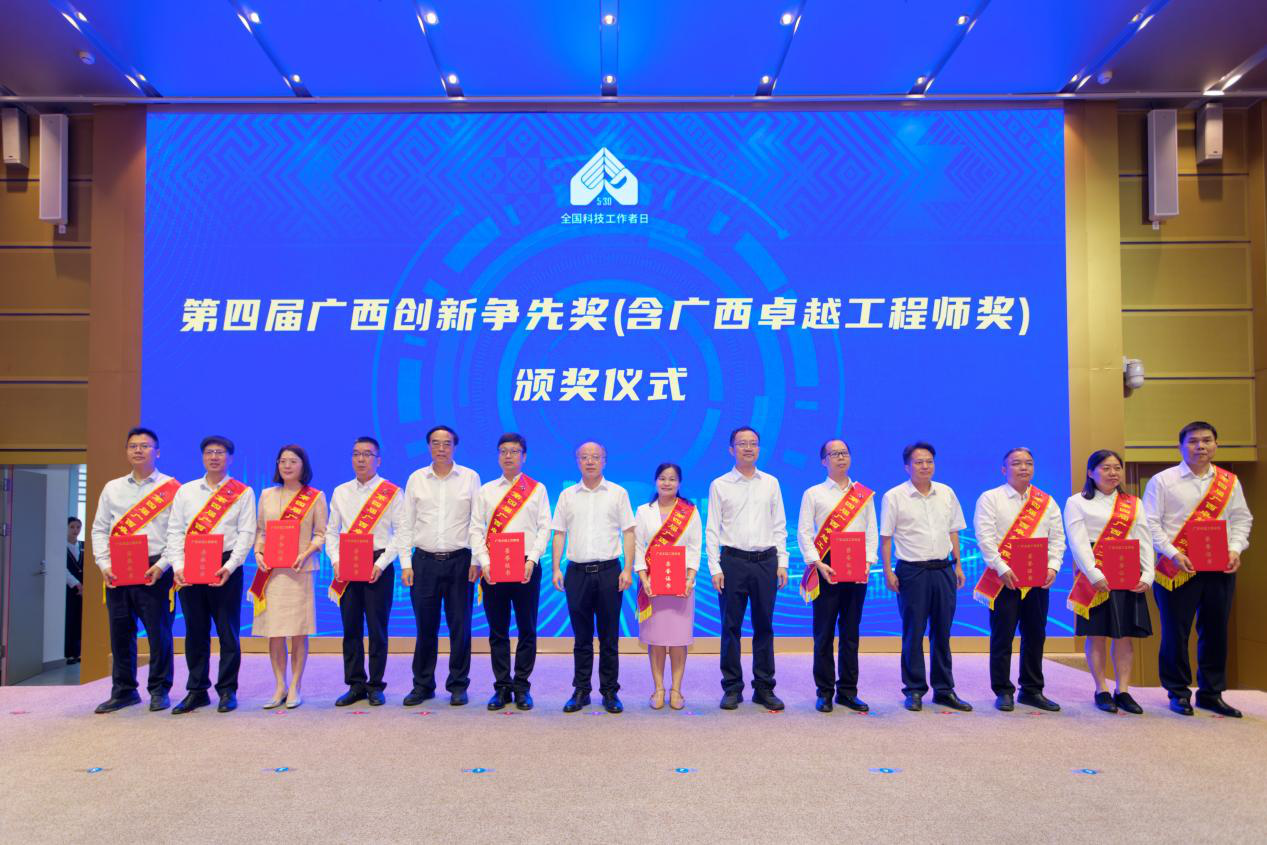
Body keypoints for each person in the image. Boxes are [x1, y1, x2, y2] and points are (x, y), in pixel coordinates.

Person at [1143, 421, 1252, 718]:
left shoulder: (1229, 482)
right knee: (1175, 632)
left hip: (1220, 567)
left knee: (1216, 630)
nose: (1200, 446)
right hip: (1176, 568)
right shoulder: (1163, 481)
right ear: (1180, 446)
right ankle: (1178, 692)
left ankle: (1211, 693)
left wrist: (1235, 548)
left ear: (1216, 445)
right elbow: (1150, 523)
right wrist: (1174, 553)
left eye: (1206, 440)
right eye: (1193, 441)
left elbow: (1241, 519)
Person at [89, 427, 180, 713]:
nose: (138, 450)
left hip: (156, 569)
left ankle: (159, 689)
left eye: (145, 445)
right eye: (133, 446)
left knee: (159, 634)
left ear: (158, 452)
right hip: (118, 569)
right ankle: (124, 691)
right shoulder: (112, 488)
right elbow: (99, 529)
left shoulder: (172, 489)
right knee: (120, 633)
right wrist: (104, 564)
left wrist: (162, 565)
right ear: (127, 451)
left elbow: (178, 533)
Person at [168, 435, 257, 715]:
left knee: (228, 631)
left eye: (220, 452)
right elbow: (175, 531)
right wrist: (178, 566)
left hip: (225, 566)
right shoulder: (186, 491)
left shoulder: (242, 492)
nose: (214, 457)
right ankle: (196, 690)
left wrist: (230, 566)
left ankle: (227, 690)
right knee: (195, 631)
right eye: (209, 452)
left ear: (230, 458)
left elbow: (246, 533)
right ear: (202, 457)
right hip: (191, 565)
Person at [972, 447, 1066, 712]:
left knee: (1035, 635)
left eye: (1028, 463)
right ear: (1004, 469)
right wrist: (1002, 568)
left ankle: (1032, 689)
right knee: (1002, 636)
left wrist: (1053, 567)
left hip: (1037, 580)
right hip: (1004, 580)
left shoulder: (1046, 502)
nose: (1023, 467)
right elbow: (985, 538)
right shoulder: (990, 498)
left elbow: (1057, 538)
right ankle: (1003, 690)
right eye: (1016, 463)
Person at [880, 441, 971, 712]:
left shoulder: (946, 492)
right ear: (907, 467)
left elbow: (954, 531)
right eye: (918, 462)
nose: (925, 466)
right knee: (913, 632)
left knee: (942, 632)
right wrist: (888, 572)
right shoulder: (894, 496)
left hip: (943, 569)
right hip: (912, 572)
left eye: (929, 461)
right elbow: (886, 538)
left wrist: (958, 565)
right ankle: (914, 689)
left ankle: (944, 690)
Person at [1064, 449, 1154, 714]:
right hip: (1096, 572)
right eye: (1105, 468)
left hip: (1128, 570)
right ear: (1091, 472)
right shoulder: (1077, 502)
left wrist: (1148, 574)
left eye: (1117, 468)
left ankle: (1123, 690)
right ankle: (1101, 688)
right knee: (1098, 634)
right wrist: (1093, 573)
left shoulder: (1133, 503)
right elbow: (1078, 542)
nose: (1113, 473)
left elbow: (1144, 538)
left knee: (1124, 635)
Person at [706, 426, 789, 711]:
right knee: (730, 627)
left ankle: (764, 688)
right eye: (742, 443)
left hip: (766, 562)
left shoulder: (771, 483)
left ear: (759, 448)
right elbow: (712, 529)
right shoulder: (720, 484)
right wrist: (715, 567)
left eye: (753, 443)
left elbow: (779, 525)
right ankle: (732, 687)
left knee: (764, 626)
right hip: (733, 562)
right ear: (732, 449)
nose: (748, 448)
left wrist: (782, 562)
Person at [551, 441, 635, 714]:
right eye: (585, 457)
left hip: (610, 572)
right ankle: (581, 690)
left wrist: (627, 569)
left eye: (596, 457)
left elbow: (629, 532)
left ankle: (610, 691)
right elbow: (559, 533)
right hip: (577, 573)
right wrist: (555, 568)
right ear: (577, 461)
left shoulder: (618, 493)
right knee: (582, 637)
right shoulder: (567, 495)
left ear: (604, 461)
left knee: (609, 636)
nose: (590, 461)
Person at [470, 433, 552, 711]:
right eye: (503, 451)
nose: (508, 456)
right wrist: (484, 562)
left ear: (524, 456)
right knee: (498, 630)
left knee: (527, 629)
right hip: (494, 567)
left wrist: (533, 559)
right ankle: (502, 687)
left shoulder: (537, 489)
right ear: (498, 456)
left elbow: (544, 528)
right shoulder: (486, 490)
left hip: (527, 566)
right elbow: (476, 529)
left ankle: (522, 686)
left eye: (514, 451)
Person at [399, 426, 479, 707]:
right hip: (423, 563)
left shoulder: (470, 477)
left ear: (455, 446)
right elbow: (406, 523)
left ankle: (458, 684)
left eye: (446, 443)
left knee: (460, 627)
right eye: (435, 443)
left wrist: (476, 560)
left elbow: (477, 522)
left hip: (460, 562)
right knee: (425, 627)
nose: (441, 448)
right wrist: (405, 563)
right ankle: (422, 685)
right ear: (429, 446)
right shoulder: (416, 479)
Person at [797, 439, 877, 714]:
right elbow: (804, 532)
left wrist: (868, 562)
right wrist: (817, 563)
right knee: (824, 633)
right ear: (824, 461)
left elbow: (871, 530)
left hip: (857, 566)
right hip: (826, 566)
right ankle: (824, 692)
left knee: (851, 633)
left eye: (844, 453)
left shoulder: (863, 495)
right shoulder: (814, 493)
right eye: (834, 454)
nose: (840, 457)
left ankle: (848, 691)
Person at [327, 436, 406, 708]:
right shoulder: (340, 492)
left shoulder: (391, 492)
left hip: (378, 563)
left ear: (378, 460)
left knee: (377, 628)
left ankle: (376, 685)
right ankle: (355, 684)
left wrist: (381, 564)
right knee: (350, 628)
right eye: (356, 454)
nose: (361, 459)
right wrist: (336, 561)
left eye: (367, 454)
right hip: (347, 563)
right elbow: (331, 531)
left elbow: (401, 533)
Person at [251, 445, 327, 710]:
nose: (287, 465)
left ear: (303, 465)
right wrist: (258, 553)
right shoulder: (266, 495)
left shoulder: (315, 497)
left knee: (297, 631)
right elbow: (260, 531)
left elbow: (321, 534)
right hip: (271, 572)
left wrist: (306, 553)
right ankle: (279, 685)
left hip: (299, 571)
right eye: (282, 461)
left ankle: (295, 685)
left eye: (293, 461)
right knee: (274, 631)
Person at [634, 463, 701, 711]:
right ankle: (659, 689)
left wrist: (690, 579)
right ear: (655, 481)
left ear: (679, 483)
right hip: (652, 584)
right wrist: (644, 579)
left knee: (678, 639)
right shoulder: (643, 511)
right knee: (657, 639)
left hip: (681, 584)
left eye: (672, 479)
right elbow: (639, 547)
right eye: (662, 478)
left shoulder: (689, 511)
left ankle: (676, 690)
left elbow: (694, 547)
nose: (667, 483)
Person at [65, 517, 84, 665]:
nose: (75, 530)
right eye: (72, 527)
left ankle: (79, 652)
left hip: (85, 590)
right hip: (69, 589)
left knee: (81, 621)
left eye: (78, 527)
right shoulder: (61, 546)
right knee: (69, 619)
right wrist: (76, 584)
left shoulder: (83, 546)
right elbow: (62, 569)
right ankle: (69, 653)